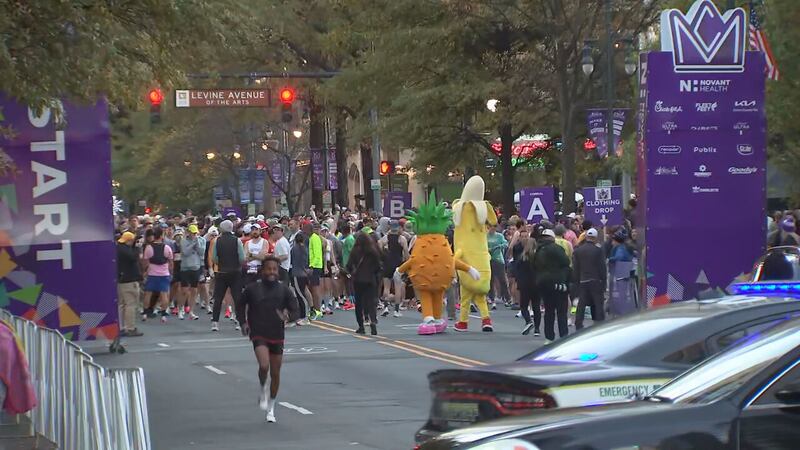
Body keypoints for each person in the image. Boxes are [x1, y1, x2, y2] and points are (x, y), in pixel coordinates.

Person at [237, 257, 298, 423]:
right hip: (258, 332)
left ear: (278, 272)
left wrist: (288, 316)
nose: (272, 272)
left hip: (277, 334)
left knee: (276, 373)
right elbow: (240, 305)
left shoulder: (284, 290)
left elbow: (295, 310)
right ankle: (263, 386)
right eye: (269, 269)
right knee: (264, 365)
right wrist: (243, 322)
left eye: (274, 269)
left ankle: (271, 406)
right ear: (262, 270)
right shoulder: (252, 289)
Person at [533, 229, 571, 343]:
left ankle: (549, 337)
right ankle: (563, 336)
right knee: (561, 311)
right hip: (558, 283)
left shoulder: (538, 250)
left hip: (544, 283)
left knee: (549, 311)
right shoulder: (557, 248)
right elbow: (566, 262)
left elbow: (534, 266)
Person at [210, 220, 246, 332]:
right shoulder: (237, 240)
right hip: (235, 272)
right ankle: (239, 322)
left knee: (218, 298)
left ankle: (215, 322)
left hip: (222, 271)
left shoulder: (217, 241)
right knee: (237, 298)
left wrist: (221, 262)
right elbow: (242, 257)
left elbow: (214, 258)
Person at [346, 233, 383, 335]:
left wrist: (352, 272)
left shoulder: (355, 251)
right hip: (370, 279)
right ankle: (373, 321)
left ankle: (361, 326)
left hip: (358, 280)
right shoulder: (372, 252)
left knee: (359, 304)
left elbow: (349, 265)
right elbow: (378, 265)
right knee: (371, 302)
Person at [572, 228, 607, 330]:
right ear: (595, 238)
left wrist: (576, 282)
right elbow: (602, 267)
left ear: (586, 237)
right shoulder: (598, 250)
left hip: (583, 280)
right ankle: (599, 323)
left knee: (581, 304)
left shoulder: (578, 251)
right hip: (595, 280)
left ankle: (578, 323)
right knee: (597, 303)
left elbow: (576, 268)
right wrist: (604, 282)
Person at [142, 227, 174, 323]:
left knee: (148, 293)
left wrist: (145, 271)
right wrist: (171, 272)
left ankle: (145, 313)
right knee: (164, 294)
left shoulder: (148, 248)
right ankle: (163, 314)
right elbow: (171, 262)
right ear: (161, 236)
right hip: (164, 274)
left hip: (152, 274)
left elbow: (145, 262)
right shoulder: (167, 248)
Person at [379, 220, 409, 318]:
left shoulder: (385, 238)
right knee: (398, 287)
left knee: (386, 287)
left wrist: (383, 258)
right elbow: (406, 253)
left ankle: (385, 307)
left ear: (390, 227)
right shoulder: (402, 239)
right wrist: (407, 263)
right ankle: (396, 310)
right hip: (398, 264)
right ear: (398, 228)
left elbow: (379, 249)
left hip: (387, 263)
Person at [515, 229, 541, 336]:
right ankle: (537, 329)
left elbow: (517, 270)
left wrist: (518, 281)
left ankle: (528, 321)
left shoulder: (522, 258)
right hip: (536, 284)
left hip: (525, 284)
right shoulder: (538, 257)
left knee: (524, 306)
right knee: (536, 307)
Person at [116, 232, 143, 336]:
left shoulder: (118, 248)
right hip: (129, 279)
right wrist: (137, 248)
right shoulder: (127, 250)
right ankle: (130, 328)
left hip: (121, 279)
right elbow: (133, 257)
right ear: (130, 240)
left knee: (122, 304)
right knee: (130, 304)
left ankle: (122, 327)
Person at [178, 224, 205, 320]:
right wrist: (193, 244)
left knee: (194, 290)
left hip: (196, 267)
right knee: (184, 290)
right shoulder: (183, 240)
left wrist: (197, 243)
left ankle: (191, 311)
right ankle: (180, 309)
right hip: (185, 267)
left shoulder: (200, 240)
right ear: (188, 232)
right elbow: (185, 252)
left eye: (195, 233)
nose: (194, 235)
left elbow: (201, 252)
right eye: (192, 233)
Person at [290, 232, 313, 324]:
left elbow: (295, 261)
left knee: (300, 295)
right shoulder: (305, 249)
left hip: (297, 273)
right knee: (303, 292)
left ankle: (305, 316)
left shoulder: (295, 249)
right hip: (304, 274)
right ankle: (304, 314)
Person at [487, 224, 511, 309]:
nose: (492, 228)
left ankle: (507, 298)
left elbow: (505, 244)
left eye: (494, 226)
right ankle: (492, 298)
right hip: (488, 259)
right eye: (490, 226)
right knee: (490, 280)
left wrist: (499, 246)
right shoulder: (485, 236)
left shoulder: (499, 236)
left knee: (502, 279)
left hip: (498, 259)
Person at [307, 222, 324, 319]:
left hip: (315, 266)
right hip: (316, 265)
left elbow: (317, 254)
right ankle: (316, 309)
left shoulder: (315, 238)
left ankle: (317, 310)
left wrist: (312, 266)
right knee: (313, 288)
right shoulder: (314, 237)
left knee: (315, 288)